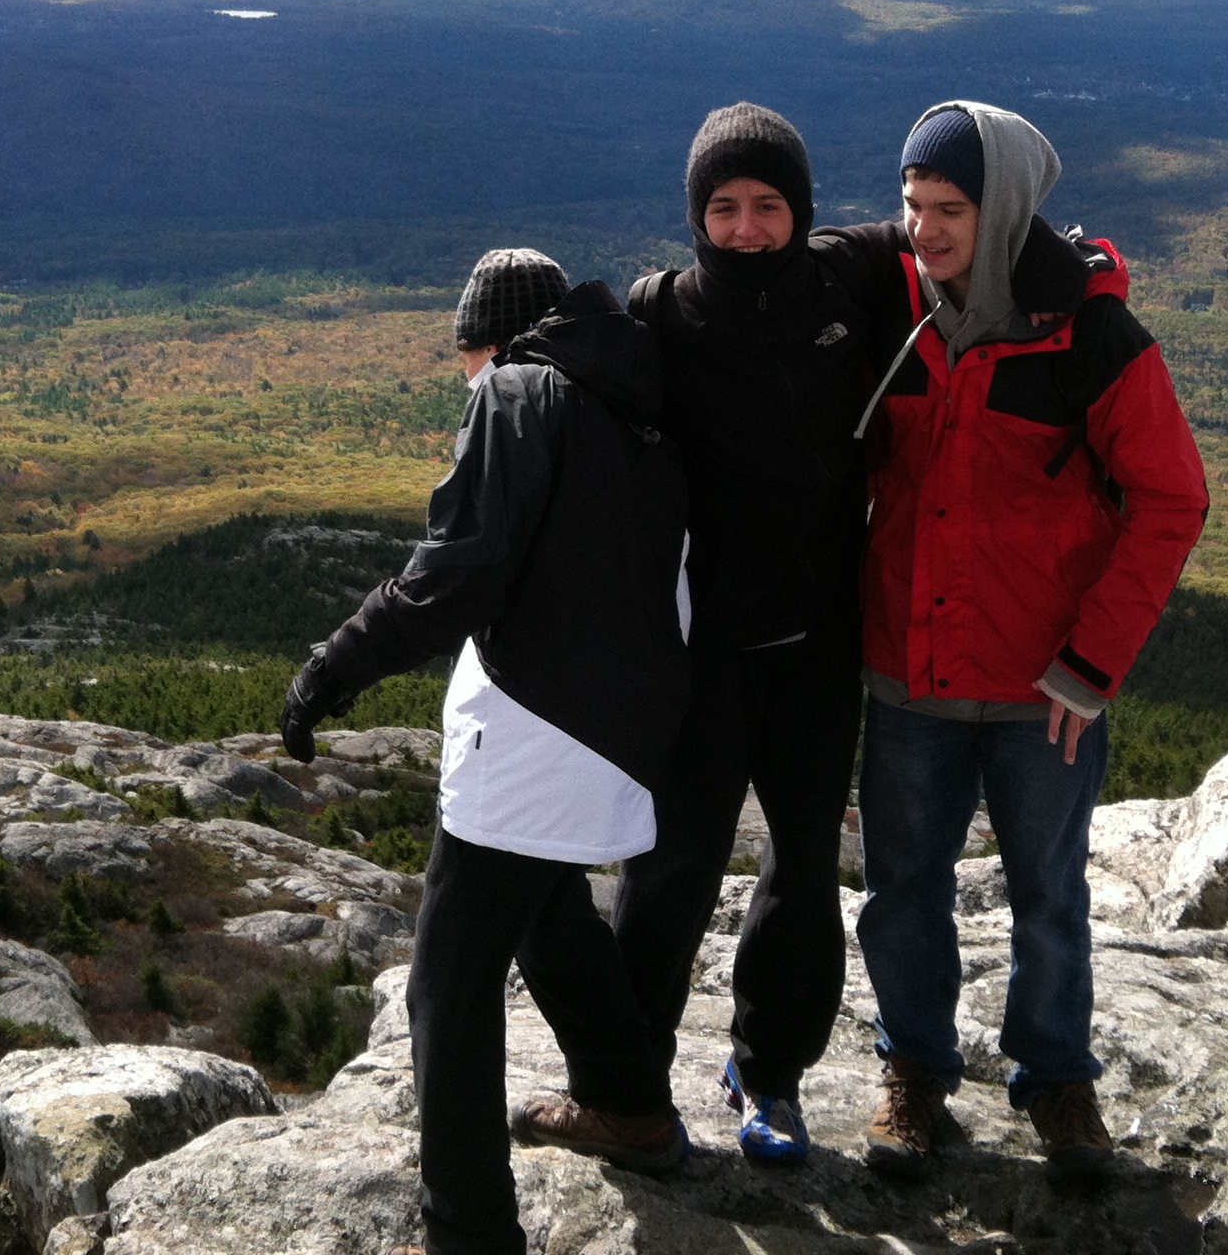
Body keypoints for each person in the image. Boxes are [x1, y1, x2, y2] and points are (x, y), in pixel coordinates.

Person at [613, 103, 1090, 1166]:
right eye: (722, 207)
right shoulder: (658, 312)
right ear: (695, 215)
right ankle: (628, 1081)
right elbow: (572, 388)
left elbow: (978, 229)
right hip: (699, 651)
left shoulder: (853, 275)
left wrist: (1082, 275)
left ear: (802, 209)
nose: (746, 227)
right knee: (672, 863)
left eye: (767, 205)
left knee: (801, 870)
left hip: (818, 644)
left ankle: (770, 1076)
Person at [281, 247, 691, 1255]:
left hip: (538, 726)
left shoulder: (516, 393)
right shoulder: (634, 398)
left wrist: (332, 668)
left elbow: (452, 577)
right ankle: (629, 1103)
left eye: (467, 355)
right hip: (627, 718)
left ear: (491, 341)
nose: (467, 376)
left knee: (449, 981)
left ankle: (468, 1230)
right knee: (546, 909)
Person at [850, 100, 1209, 1191]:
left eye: (950, 209)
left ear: (1003, 209)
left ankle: (1056, 1081)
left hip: (1041, 685)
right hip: (909, 668)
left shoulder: (1091, 336)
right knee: (903, 889)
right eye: (912, 204)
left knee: (1048, 897)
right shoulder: (894, 309)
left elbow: (1172, 498)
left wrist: (1091, 666)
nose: (925, 229)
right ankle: (915, 1071)